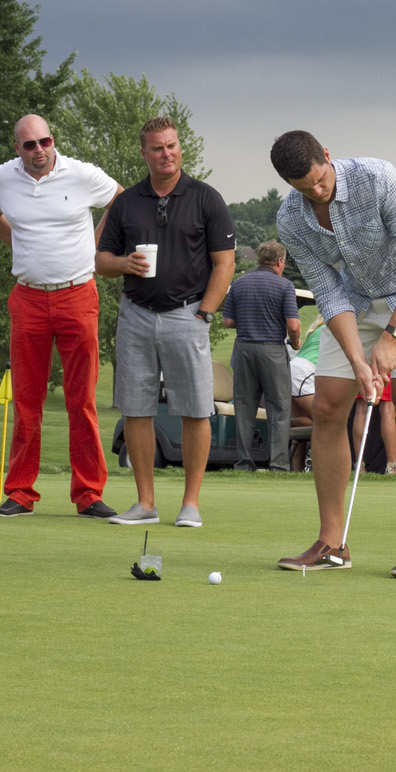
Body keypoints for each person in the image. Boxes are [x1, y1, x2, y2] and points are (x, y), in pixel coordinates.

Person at [270, 130, 396, 579]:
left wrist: (392, 336)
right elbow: (329, 292)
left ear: (326, 155)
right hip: (356, 302)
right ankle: (331, 542)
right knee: (328, 405)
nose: (317, 192)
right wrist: (357, 361)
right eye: (304, 188)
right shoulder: (290, 219)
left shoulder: (378, 178)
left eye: (320, 180)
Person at [96, 117, 235, 527]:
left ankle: (190, 504)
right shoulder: (126, 202)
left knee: (194, 410)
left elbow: (224, 264)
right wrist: (124, 263)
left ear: (180, 148)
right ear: (144, 153)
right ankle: (145, 504)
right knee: (136, 410)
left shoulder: (206, 198)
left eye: (171, 146)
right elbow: (100, 260)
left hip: (187, 315)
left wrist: (205, 313)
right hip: (136, 315)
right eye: (157, 148)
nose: (166, 154)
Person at [0, 114, 121, 519]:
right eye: (30, 145)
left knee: (82, 401)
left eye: (45, 141)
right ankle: (20, 492)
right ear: (17, 149)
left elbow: (121, 200)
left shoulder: (81, 174)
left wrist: (97, 245)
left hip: (78, 295)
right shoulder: (3, 178)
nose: (39, 150)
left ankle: (89, 493)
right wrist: (17, 242)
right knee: (27, 400)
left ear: (53, 140)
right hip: (28, 298)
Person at [222, 240, 301, 471]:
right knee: (279, 408)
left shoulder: (238, 284)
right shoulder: (285, 286)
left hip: (244, 349)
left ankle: (244, 463)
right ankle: (278, 465)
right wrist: (296, 342)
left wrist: (249, 320)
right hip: (272, 350)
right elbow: (293, 325)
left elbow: (228, 322)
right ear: (280, 261)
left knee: (244, 407)